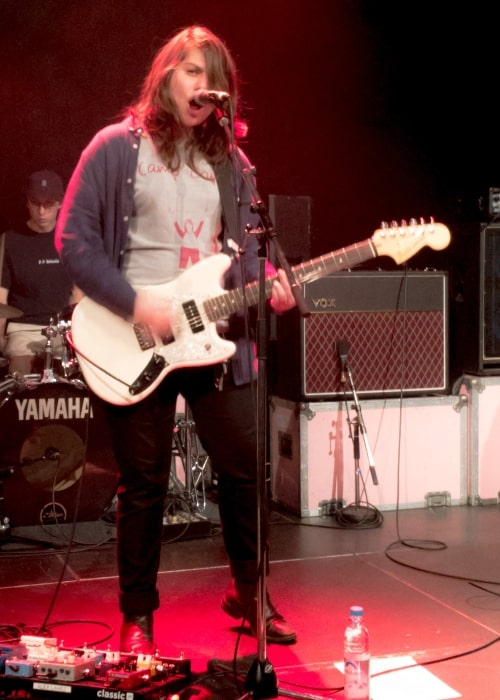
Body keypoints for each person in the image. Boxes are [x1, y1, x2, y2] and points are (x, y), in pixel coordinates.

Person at [55, 25, 298, 654]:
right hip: (136, 335)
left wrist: (269, 280)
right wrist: (138, 302)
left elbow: (241, 256)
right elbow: (73, 241)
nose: (203, 85)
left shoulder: (231, 164)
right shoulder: (116, 148)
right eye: (191, 70)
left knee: (245, 472)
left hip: (209, 339)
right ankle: (138, 617)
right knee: (144, 485)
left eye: (214, 77)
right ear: (164, 76)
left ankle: (250, 592)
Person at [0, 170, 76, 375]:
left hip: (62, 332)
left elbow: (78, 296)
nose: (42, 211)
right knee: (20, 375)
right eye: (36, 203)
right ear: (27, 202)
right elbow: (1, 298)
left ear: (60, 203)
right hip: (22, 330)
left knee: (76, 374)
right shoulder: (10, 241)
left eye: (48, 204)